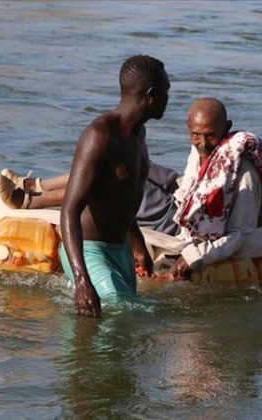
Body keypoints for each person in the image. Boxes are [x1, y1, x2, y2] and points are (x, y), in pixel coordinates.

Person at [60, 55, 169, 317]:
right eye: (166, 92)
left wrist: (138, 243)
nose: (168, 99)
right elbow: (69, 211)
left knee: (119, 337)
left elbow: (123, 195)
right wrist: (82, 280)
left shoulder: (139, 134)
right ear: (151, 95)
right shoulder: (100, 136)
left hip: (120, 250)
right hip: (90, 250)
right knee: (123, 315)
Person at [170, 97, 262, 280]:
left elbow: (240, 234)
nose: (203, 143)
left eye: (211, 136)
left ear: (227, 127)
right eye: (196, 135)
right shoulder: (198, 150)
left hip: (227, 244)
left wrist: (193, 256)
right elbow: (186, 191)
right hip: (195, 228)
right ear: (188, 127)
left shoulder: (244, 173)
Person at [0, 162, 181, 235]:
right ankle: (35, 185)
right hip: (180, 191)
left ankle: (31, 200)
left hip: (175, 215)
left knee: (113, 177)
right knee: (122, 158)